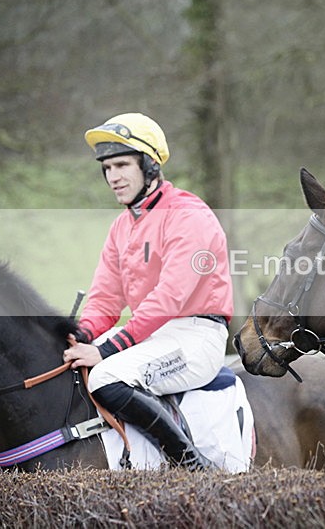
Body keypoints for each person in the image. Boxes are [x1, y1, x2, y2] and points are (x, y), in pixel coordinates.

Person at [63, 112, 233, 470]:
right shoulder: (121, 227)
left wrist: (107, 348)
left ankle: (192, 466)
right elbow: (105, 299)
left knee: (107, 375)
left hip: (196, 335)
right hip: (151, 334)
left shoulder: (189, 216)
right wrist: (80, 334)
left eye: (122, 165)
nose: (113, 177)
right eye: (107, 168)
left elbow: (169, 298)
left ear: (150, 166)